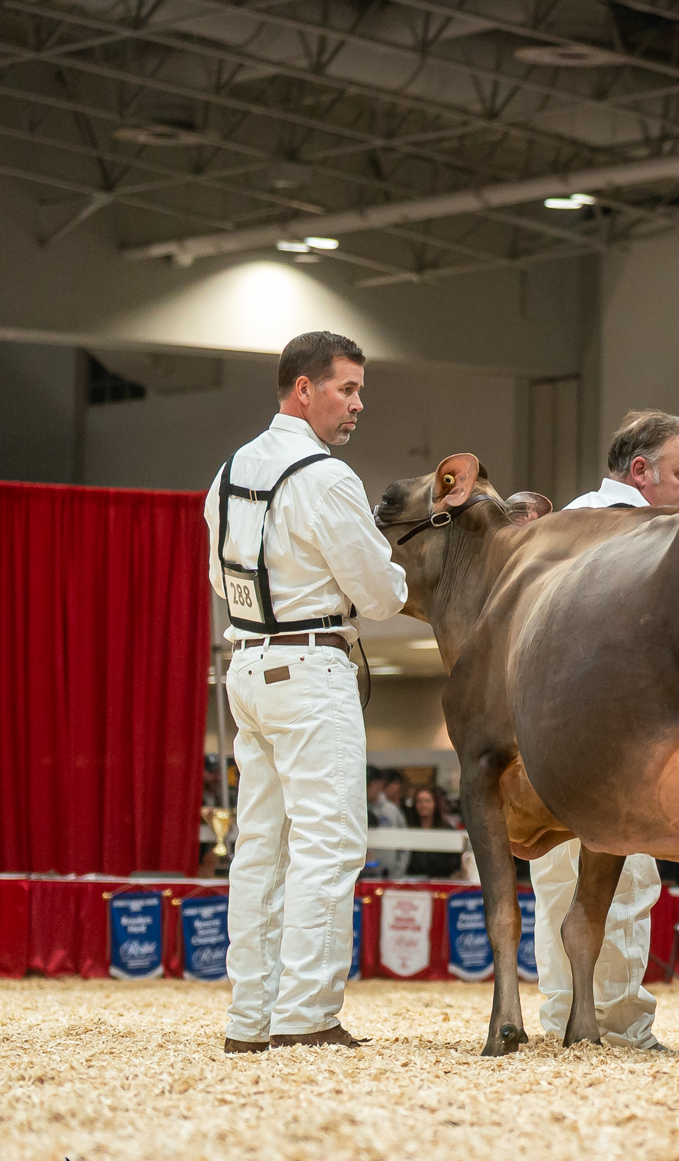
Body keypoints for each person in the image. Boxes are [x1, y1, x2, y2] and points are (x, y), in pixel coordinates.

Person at [206, 330, 408, 1052]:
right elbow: (379, 595)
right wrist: (394, 574)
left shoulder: (228, 473)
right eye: (346, 389)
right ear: (304, 390)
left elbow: (220, 581)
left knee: (260, 847)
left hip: (247, 664)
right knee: (329, 843)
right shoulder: (327, 478)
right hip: (311, 667)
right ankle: (306, 1015)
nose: (357, 404)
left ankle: (249, 1020)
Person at [527, 409, 679, 1052]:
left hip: (549, 738)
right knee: (625, 880)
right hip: (618, 736)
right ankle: (620, 1024)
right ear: (640, 471)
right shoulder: (643, 534)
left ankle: (562, 1018)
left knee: (557, 879)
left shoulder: (563, 525)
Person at [403, 785, 466, 879]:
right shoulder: (408, 828)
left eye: (427, 801)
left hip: (441, 880)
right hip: (412, 879)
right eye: (419, 801)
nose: (423, 805)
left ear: (435, 803)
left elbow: (455, 860)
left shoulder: (446, 830)